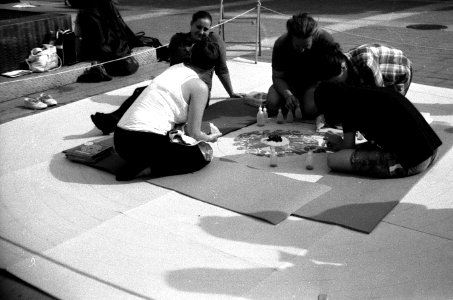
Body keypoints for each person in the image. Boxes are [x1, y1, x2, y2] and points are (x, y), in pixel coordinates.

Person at [91, 10, 241, 135]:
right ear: (191, 24)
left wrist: (231, 93)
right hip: (178, 86)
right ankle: (113, 120)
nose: (202, 32)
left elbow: (222, 69)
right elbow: (172, 66)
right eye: (198, 27)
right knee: (142, 92)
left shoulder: (213, 43)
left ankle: (120, 122)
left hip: (197, 93)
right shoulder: (177, 39)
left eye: (205, 29)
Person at [113, 38, 223, 181]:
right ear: (211, 68)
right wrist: (209, 138)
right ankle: (148, 168)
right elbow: (194, 133)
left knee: (174, 140)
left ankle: (144, 162)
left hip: (120, 140)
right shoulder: (199, 87)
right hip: (144, 143)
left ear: (191, 55)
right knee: (203, 154)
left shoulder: (174, 68)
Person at [315, 82, 441, 178]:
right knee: (364, 149)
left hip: (414, 162)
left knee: (334, 160)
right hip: (432, 149)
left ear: (331, 108)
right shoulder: (362, 92)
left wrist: (338, 141)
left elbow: (348, 147)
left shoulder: (348, 106)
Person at [266, 12, 336, 118]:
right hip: (289, 83)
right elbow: (277, 77)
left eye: (306, 46)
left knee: (310, 108)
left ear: (313, 36)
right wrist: (287, 95)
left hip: (314, 83)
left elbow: (335, 74)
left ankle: (304, 106)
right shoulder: (281, 44)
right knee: (272, 103)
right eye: (298, 46)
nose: (302, 51)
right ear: (291, 37)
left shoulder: (325, 41)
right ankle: (292, 104)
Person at [316, 43, 413, 95]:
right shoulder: (343, 61)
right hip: (378, 74)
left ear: (343, 67)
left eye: (336, 81)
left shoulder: (366, 64)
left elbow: (381, 96)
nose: (337, 85)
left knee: (390, 110)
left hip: (400, 73)